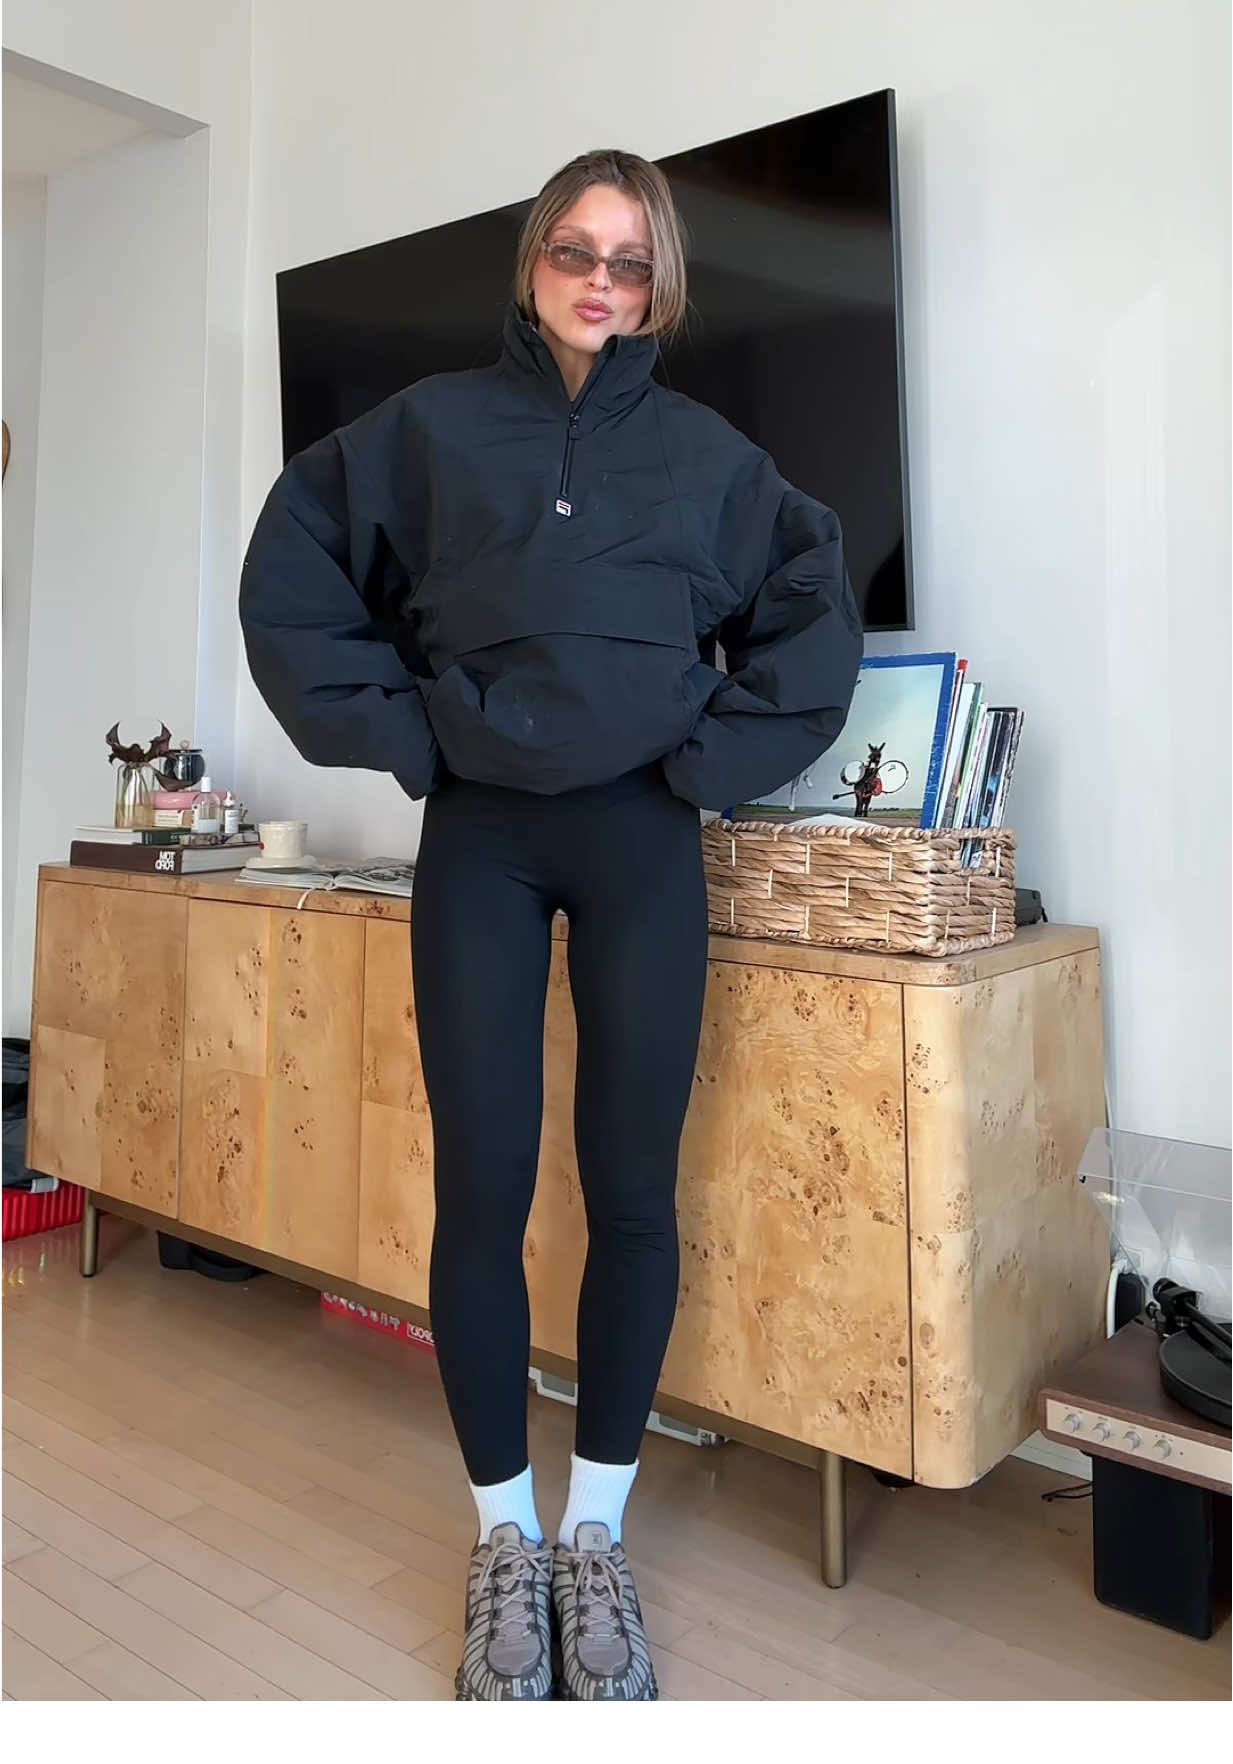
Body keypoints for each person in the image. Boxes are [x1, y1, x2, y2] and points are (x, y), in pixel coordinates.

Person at [239, 148, 863, 1701]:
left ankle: (596, 1536)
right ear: (531, 263)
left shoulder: (713, 459)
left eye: (630, 261)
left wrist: (705, 763)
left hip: (643, 836)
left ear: (660, 287)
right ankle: (503, 1541)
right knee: (482, 1190)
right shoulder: (428, 429)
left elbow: (810, 605)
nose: (600, 281)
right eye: (575, 251)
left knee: (633, 1193)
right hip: (482, 838)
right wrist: (403, 730)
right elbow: (295, 568)